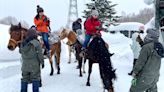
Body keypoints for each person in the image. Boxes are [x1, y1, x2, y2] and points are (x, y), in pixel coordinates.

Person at [20, 28, 44, 92]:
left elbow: (20, 51)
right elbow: (40, 54)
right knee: (35, 79)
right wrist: (42, 62)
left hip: (24, 66)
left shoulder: (23, 43)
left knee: (24, 79)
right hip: (34, 65)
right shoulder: (36, 43)